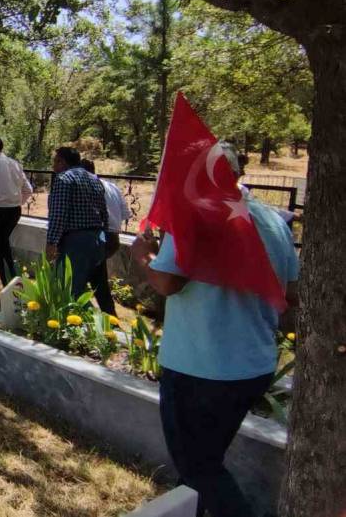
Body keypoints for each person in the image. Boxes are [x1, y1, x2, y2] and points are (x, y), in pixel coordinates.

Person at [130, 144, 298, 516]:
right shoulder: (273, 222)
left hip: (198, 367)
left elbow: (168, 283)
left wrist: (141, 256)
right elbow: (293, 291)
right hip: (252, 366)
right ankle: (187, 508)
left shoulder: (193, 218)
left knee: (198, 465)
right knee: (205, 457)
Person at [46, 147, 108, 297]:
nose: (54, 166)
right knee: (101, 290)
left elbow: (59, 215)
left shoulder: (64, 179)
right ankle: (111, 320)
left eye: (55, 161)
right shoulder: (94, 179)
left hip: (75, 243)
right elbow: (104, 213)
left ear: (62, 161)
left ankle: (71, 320)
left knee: (69, 291)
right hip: (97, 239)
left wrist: (51, 243)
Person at [0, 136, 32, 292]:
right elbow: (28, 190)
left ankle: (12, 283)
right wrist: (15, 202)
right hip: (14, 211)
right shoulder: (15, 164)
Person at [82, 159, 129, 315]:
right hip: (113, 239)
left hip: (96, 236)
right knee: (98, 279)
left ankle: (86, 317)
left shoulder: (84, 187)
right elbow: (124, 214)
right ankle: (109, 317)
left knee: (81, 279)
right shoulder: (112, 186)